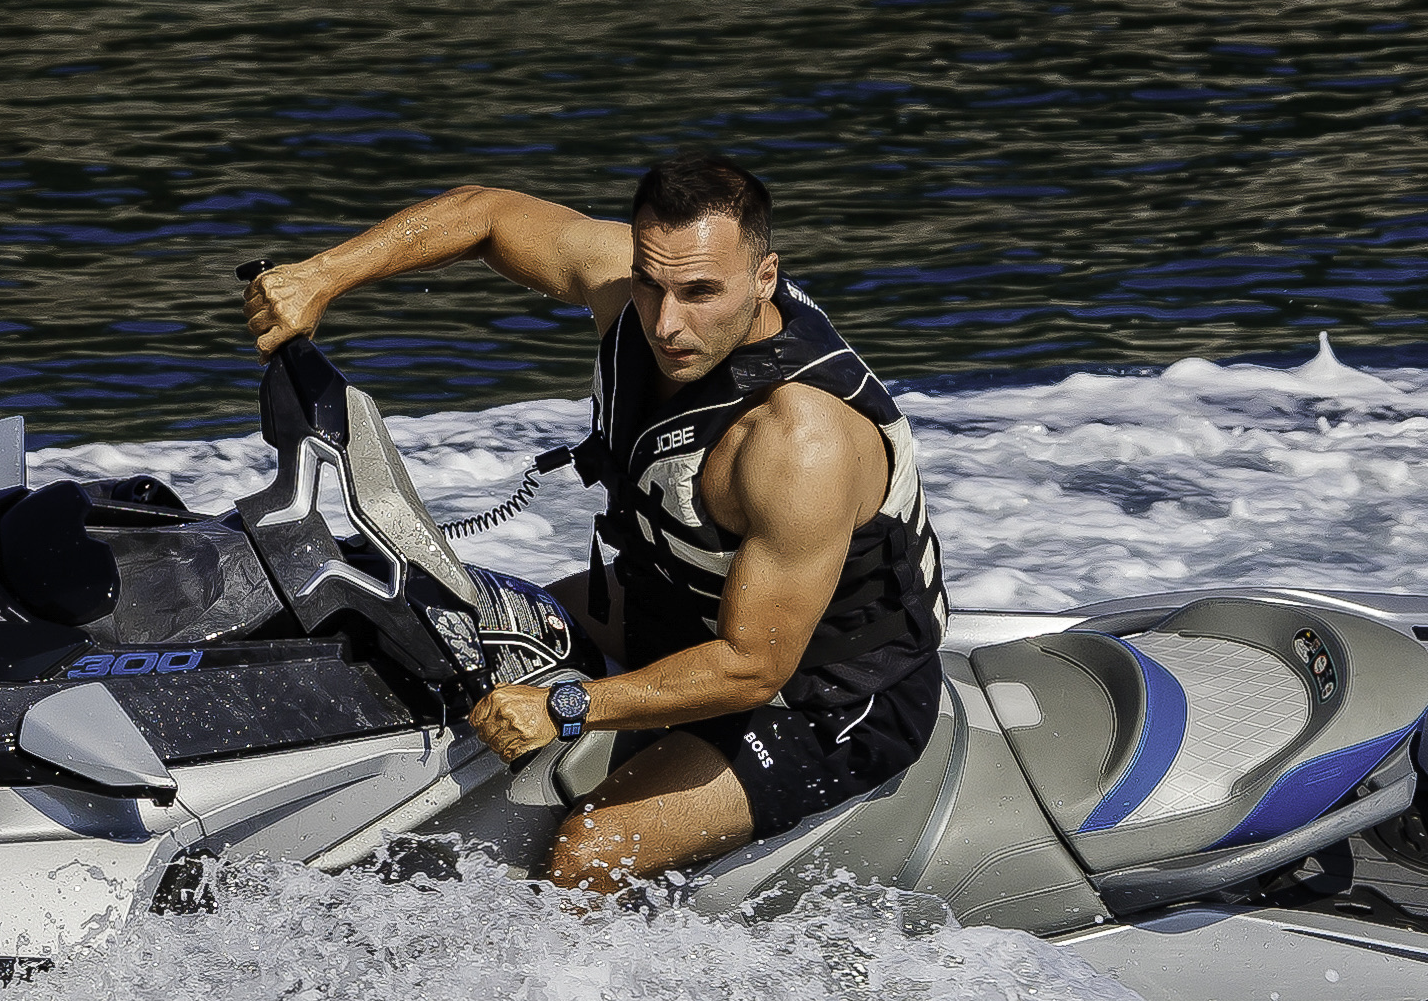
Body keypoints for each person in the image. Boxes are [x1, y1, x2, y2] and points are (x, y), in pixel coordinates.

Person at [241, 154, 948, 893]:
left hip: (827, 690)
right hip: (672, 608)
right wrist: (322, 274)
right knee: (440, 636)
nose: (668, 324)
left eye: (701, 292)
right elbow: (486, 213)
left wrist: (565, 706)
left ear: (764, 278)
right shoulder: (639, 283)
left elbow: (750, 667)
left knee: (589, 850)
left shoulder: (799, 441)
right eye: (652, 283)